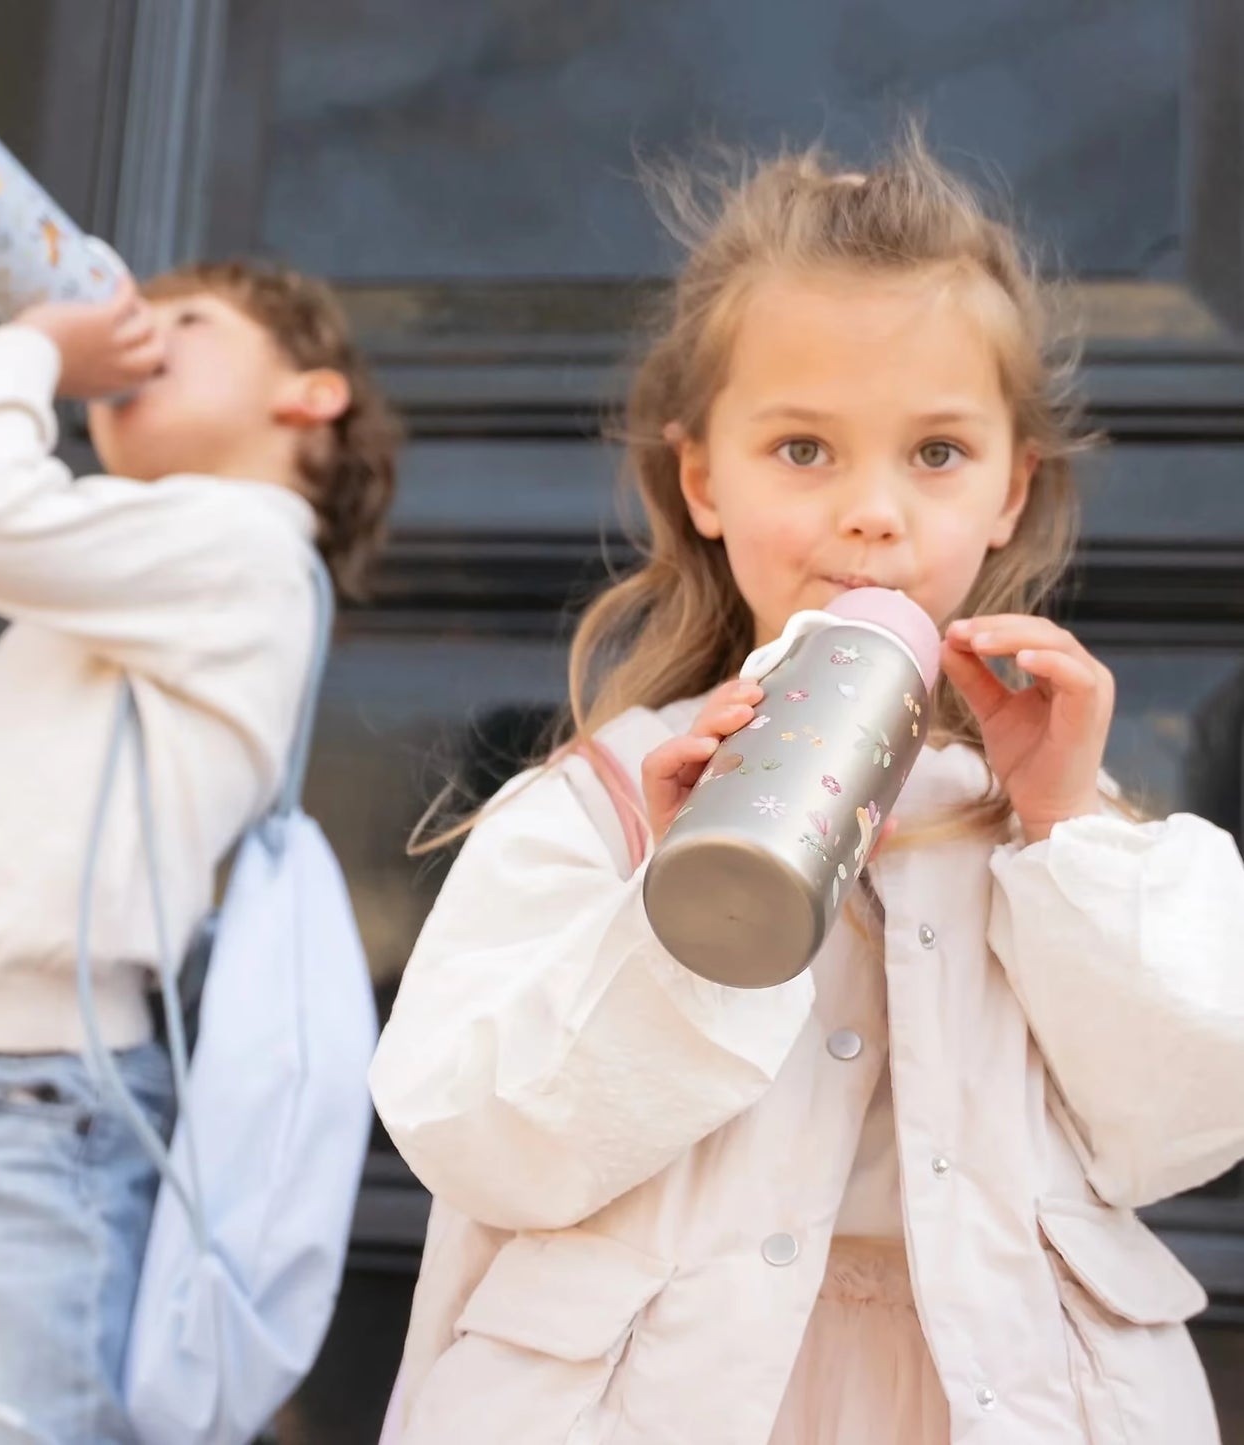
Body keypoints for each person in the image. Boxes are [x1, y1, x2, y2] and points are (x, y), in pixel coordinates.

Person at [369, 133, 1244, 1444]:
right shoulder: (601, 802)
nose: (873, 512)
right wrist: (671, 925)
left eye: (936, 454)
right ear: (701, 478)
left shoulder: (1064, 811)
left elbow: (1183, 1119)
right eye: (802, 450)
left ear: (1013, 490)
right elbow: (475, 1132)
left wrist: (1065, 830)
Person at [0, 259, 398, 1444]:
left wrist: (30, 345)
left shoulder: (246, 554)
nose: (129, 337)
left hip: (18, 1101)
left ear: (309, 395)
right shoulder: (131, 571)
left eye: (182, 321)